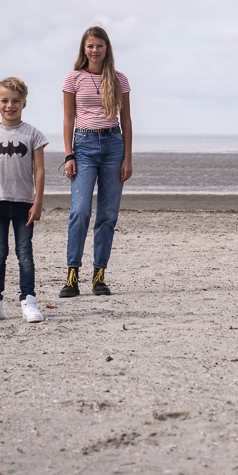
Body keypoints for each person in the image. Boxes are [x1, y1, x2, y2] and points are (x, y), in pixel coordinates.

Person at [59, 27, 132, 298]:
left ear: (107, 48)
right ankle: (72, 276)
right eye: (90, 46)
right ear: (83, 49)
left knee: (107, 216)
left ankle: (99, 276)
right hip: (84, 147)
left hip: (114, 146)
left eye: (99, 46)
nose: (94, 50)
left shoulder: (119, 79)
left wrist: (127, 157)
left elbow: (126, 121)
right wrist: (69, 155)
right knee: (80, 212)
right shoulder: (74, 78)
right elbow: (68, 119)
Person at [0, 77, 48, 323]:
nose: (10, 105)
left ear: (24, 103)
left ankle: (29, 301)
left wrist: (38, 202)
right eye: (5, 100)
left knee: (25, 253)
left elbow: (39, 170)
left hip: (25, 203)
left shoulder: (33, 134)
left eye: (16, 101)